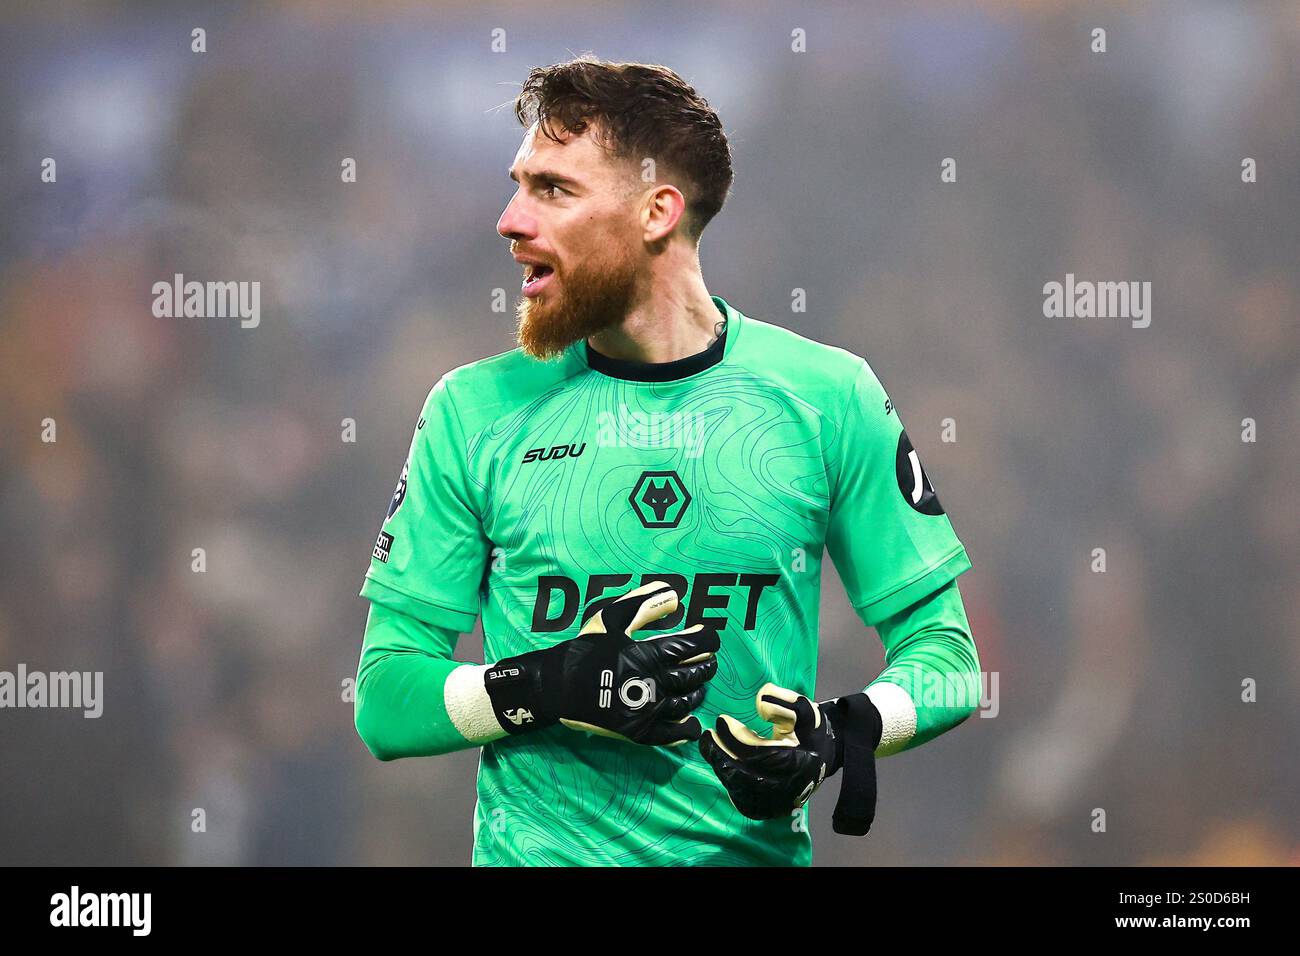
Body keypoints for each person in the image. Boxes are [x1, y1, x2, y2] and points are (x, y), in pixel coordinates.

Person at [354, 55, 980, 866]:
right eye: (519, 184)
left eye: (553, 189)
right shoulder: (472, 413)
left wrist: (839, 736)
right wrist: (543, 687)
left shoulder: (827, 398)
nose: (510, 220)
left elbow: (947, 655)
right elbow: (384, 698)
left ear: (656, 211)